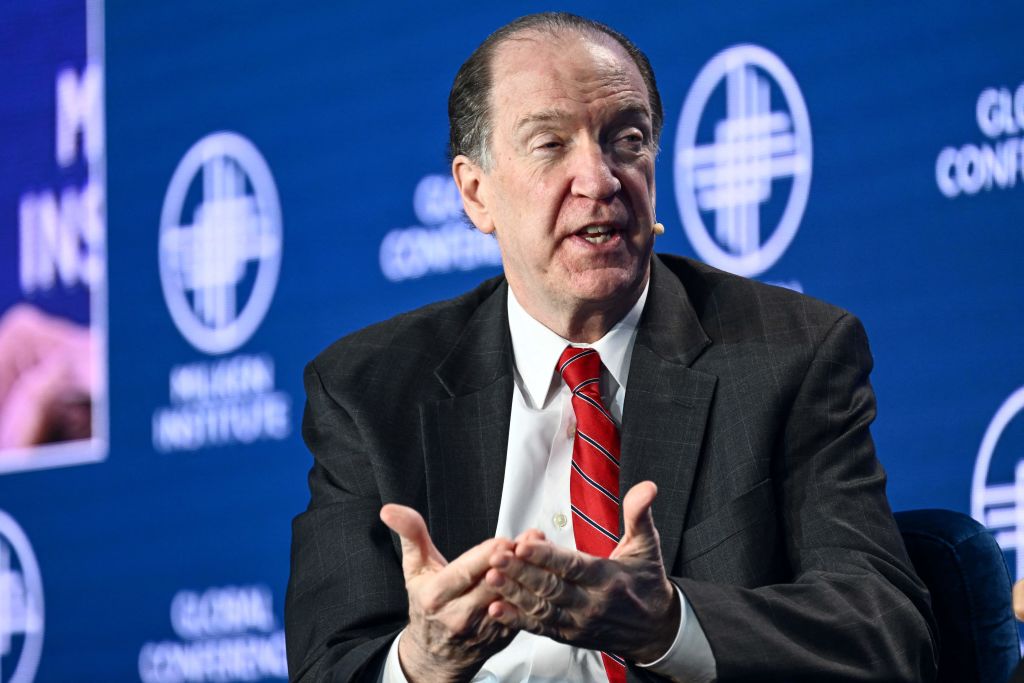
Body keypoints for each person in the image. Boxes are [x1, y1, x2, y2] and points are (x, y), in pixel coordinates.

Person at [285, 12, 938, 682]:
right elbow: (328, 663)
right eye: (550, 145)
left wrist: (669, 624)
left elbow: (884, 630)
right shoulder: (369, 391)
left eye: (627, 140)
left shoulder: (791, 356)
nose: (599, 180)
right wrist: (422, 661)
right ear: (476, 193)